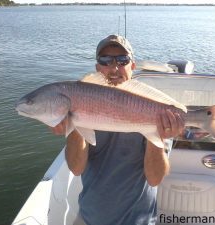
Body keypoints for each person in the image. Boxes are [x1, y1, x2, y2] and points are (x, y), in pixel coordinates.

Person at [51, 34, 184, 225]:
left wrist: (159, 136)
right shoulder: (82, 106)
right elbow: (76, 168)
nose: (114, 68)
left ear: (133, 66)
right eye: (105, 61)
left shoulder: (156, 110)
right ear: (97, 68)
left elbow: (154, 179)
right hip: (89, 218)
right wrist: (72, 125)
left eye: (122, 60)